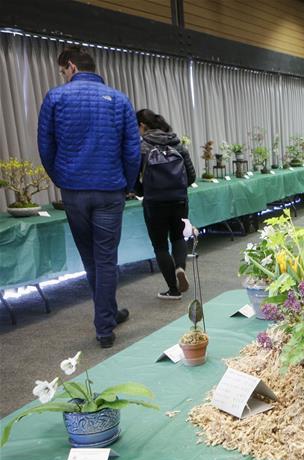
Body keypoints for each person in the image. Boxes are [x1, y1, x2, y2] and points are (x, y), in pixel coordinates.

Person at [38, 46, 141, 348]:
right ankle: (105, 323)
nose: (62, 76)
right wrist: (129, 184)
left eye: (61, 71)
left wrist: (61, 178)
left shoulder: (55, 98)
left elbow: (46, 146)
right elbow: (132, 150)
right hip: (110, 190)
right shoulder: (119, 99)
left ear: (70, 66)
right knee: (106, 259)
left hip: (74, 191)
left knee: (90, 259)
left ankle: (106, 317)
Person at [135, 109, 195, 300]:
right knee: (178, 238)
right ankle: (180, 268)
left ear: (143, 125)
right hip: (179, 200)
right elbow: (191, 175)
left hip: (154, 203)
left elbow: (134, 178)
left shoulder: (142, 147)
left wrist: (141, 192)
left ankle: (173, 289)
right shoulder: (177, 143)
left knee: (160, 246)